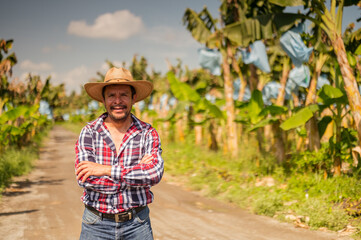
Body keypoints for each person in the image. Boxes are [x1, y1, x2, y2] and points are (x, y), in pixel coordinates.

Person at [75, 67, 164, 240]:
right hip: (96, 225)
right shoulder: (89, 132)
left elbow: (154, 174)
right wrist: (137, 170)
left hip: (137, 224)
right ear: (103, 99)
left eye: (123, 94)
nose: (118, 101)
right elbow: (85, 178)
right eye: (111, 95)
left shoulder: (147, 132)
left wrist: (104, 169)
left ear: (133, 98)